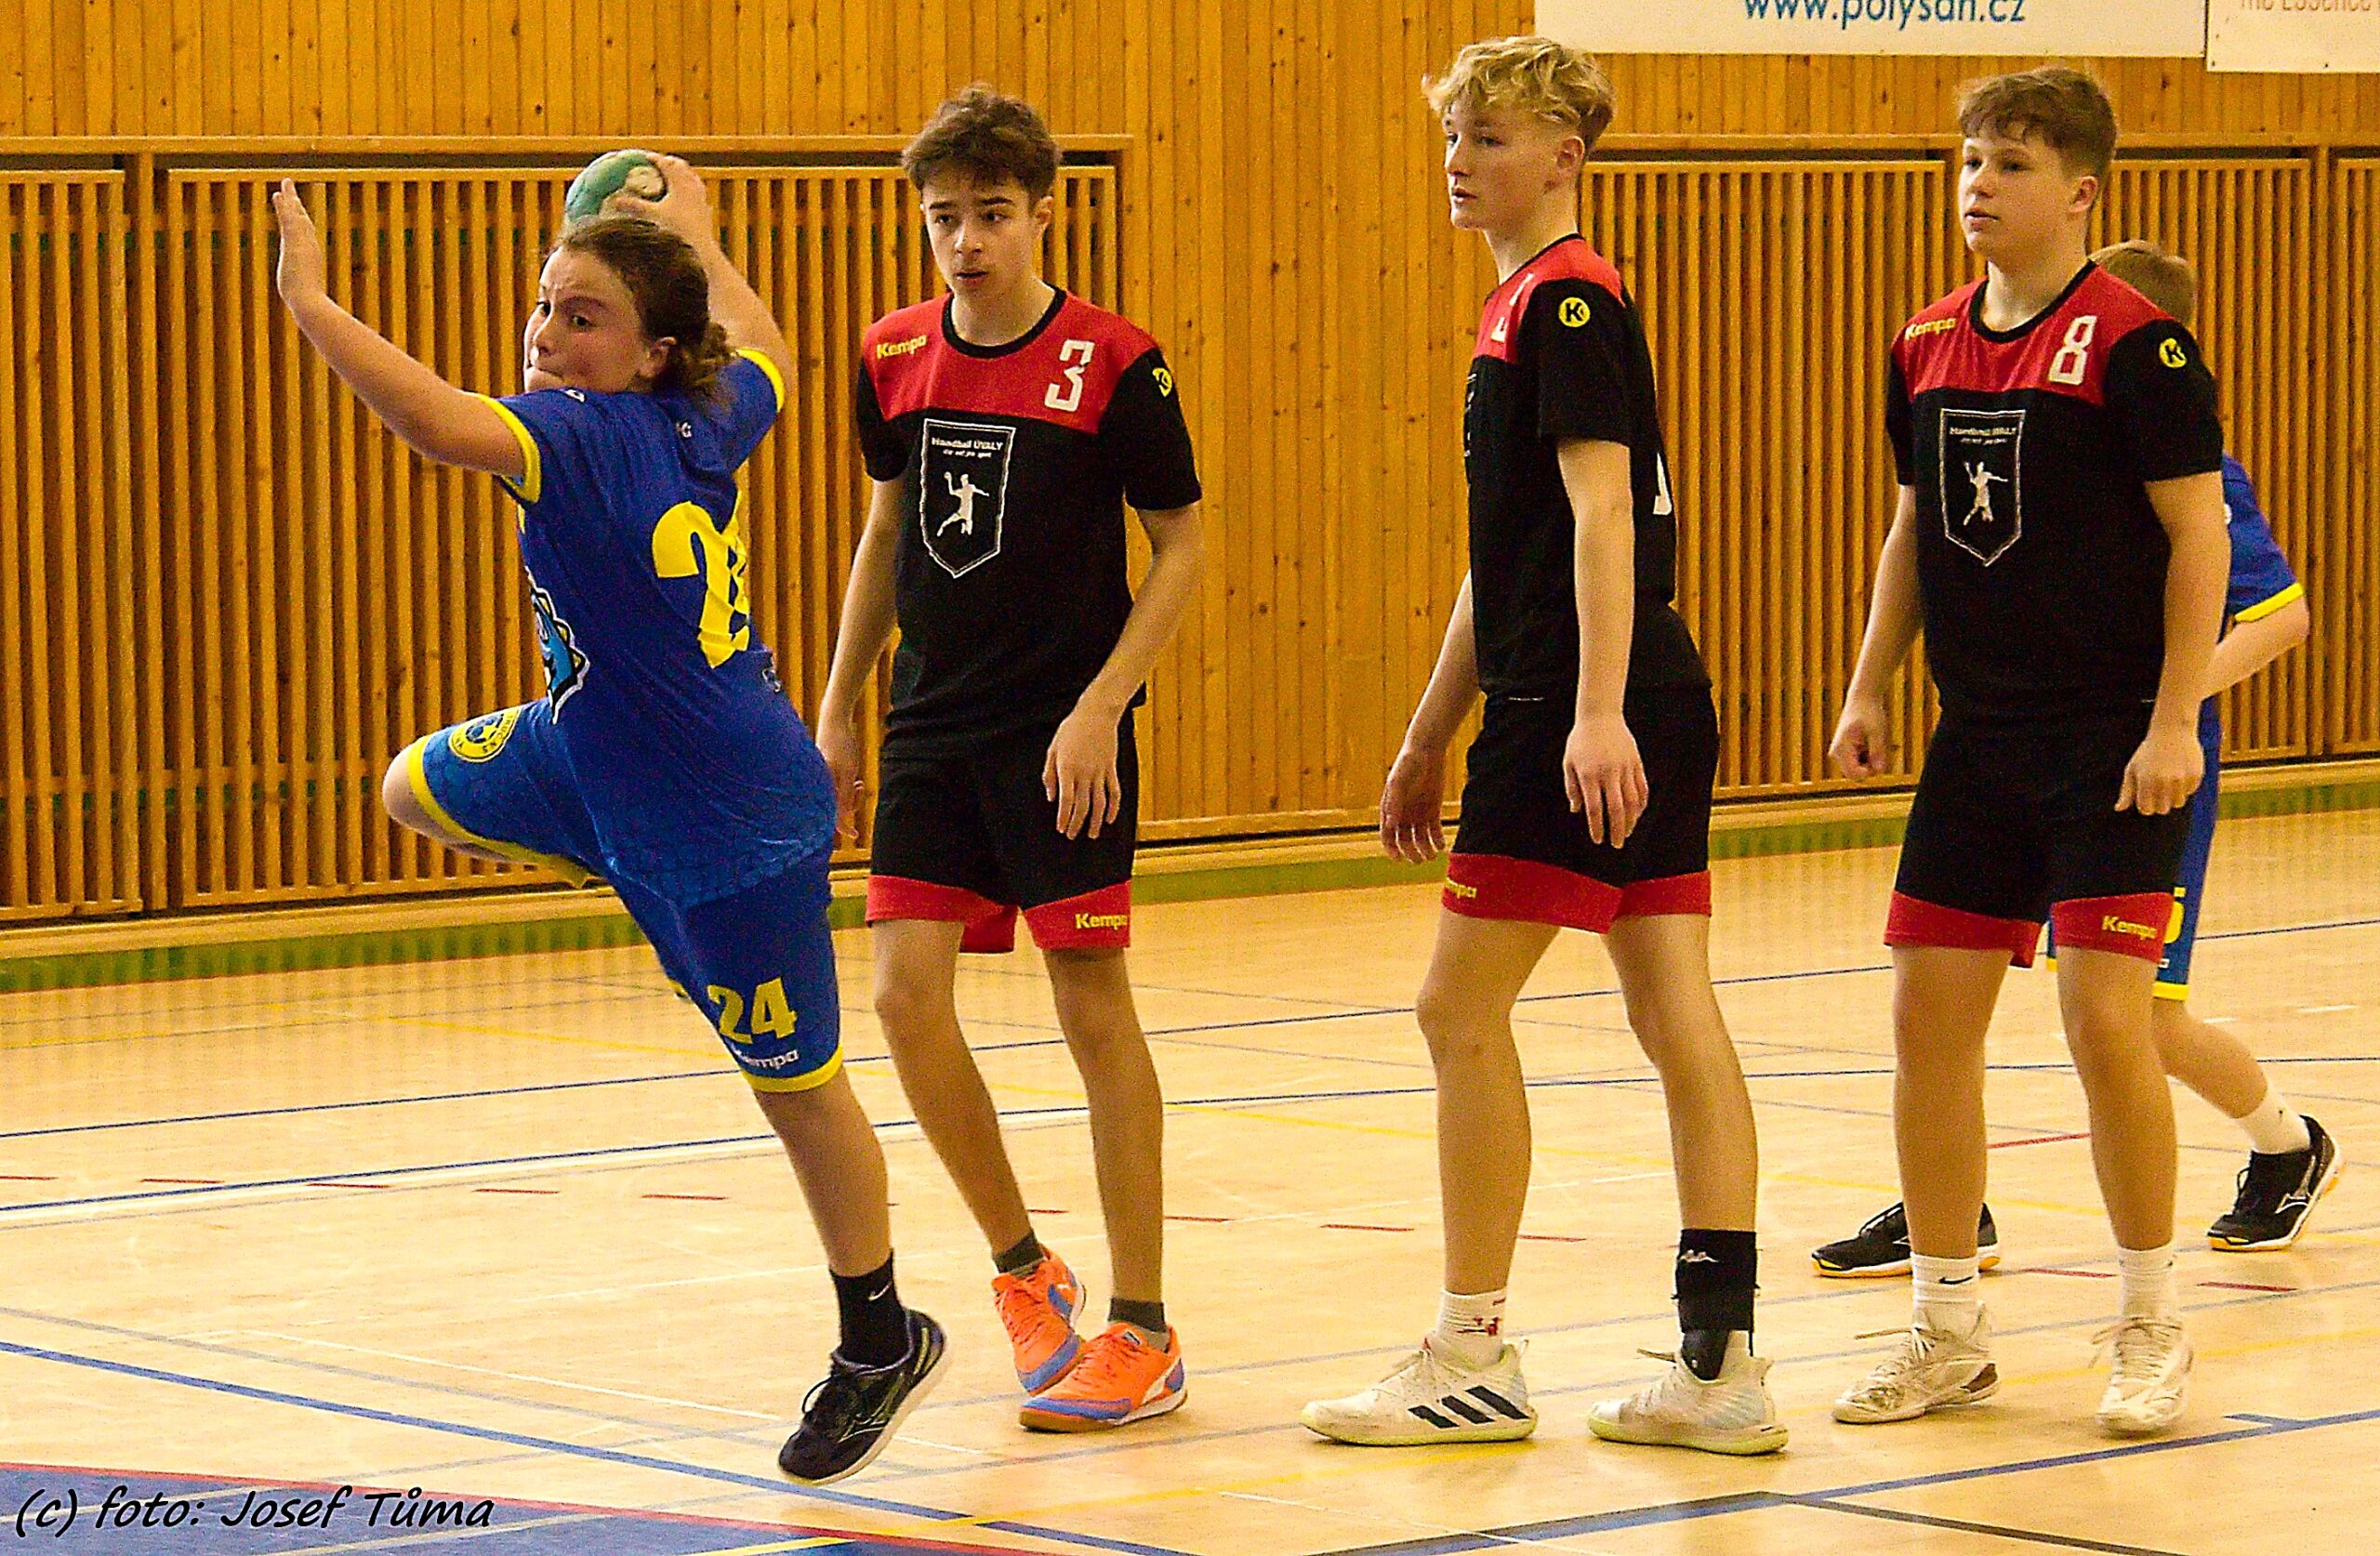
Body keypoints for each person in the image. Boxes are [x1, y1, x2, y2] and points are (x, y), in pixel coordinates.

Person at [271, 158, 943, 1484]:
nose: (547, 334)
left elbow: (429, 421)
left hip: (732, 828)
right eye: (544, 305)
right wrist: (698, 233)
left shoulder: (580, 435)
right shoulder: (708, 409)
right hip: (591, 755)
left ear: (648, 355)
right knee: (411, 786)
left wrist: (310, 298)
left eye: (583, 317)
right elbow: (770, 348)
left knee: (797, 1090)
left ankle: (881, 1340)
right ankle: (613, 851)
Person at [1300, 35, 1784, 1457]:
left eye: (1491, 137)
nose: (1461, 161)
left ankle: (1473, 1352)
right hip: (1609, 692)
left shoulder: (1565, 301)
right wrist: (1425, 731)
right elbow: (1504, 552)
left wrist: (1593, 706)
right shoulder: (1527, 306)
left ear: (1566, 156)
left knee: (1456, 1012)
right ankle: (1719, 1363)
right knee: (1674, 1010)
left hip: (1586, 703)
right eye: (1454, 136)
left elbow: (1602, 514)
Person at [1828, 70, 2231, 1439]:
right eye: (1968, 159)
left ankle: (2150, 1319)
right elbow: (1913, 524)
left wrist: (2173, 719)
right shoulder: (1923, 341)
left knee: (2106, 1021)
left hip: (2109, 742)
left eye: (2008, 162)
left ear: (2080, 192)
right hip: (1977, 738)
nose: (1978, 183)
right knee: (1924, 1022)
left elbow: (2198, 537)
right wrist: (1870, 682)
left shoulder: (2136, 344)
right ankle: (1946, 1329)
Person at [1814, 241, 2334, 1280]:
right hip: (2007, 747)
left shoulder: (2196, 472)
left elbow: (2282, 617)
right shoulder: (1984, 391)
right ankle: (1951, 1205)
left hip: (2141, 752)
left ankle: (2285, 1145)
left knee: (2133, 1019)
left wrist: (2167, 706)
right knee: (1941, 1003)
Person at [819, 86, 1206, 1432]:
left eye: (990, 213)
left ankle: (1144, 1330)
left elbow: (1183, 546)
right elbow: (887, 532)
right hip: (933, 723)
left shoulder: (1116, 362)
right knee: (900, 998)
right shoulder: (891, 354)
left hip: (1061, 733)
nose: (966, 240)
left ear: (1043, 211)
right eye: (943, 218)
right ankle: (1024, 1268)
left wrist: (1104, 705)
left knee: (1090, 1006)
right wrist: (840, 705)